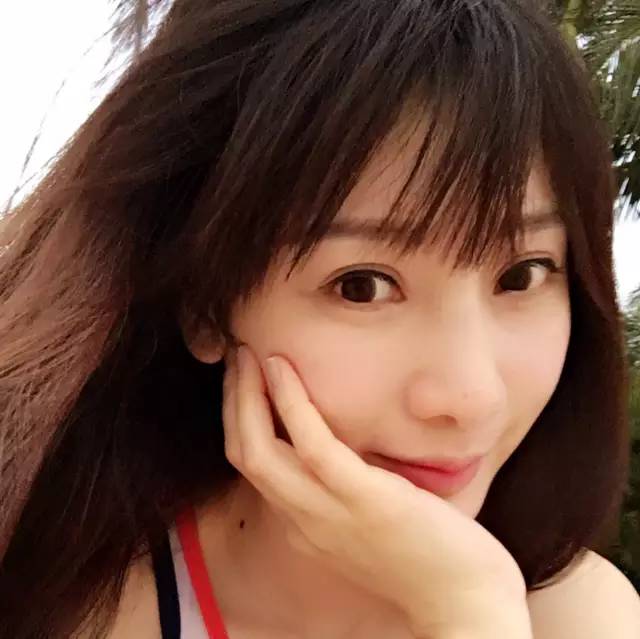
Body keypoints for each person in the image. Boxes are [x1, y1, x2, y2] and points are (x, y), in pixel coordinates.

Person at [1, 0, 639, 637]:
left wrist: (470, 610)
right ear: (207, 310)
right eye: (363, 287)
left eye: (522, 275)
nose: (471, 398)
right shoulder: (78, 604)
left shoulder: (572, 617)